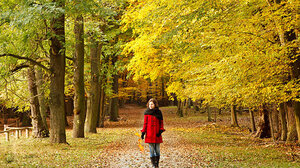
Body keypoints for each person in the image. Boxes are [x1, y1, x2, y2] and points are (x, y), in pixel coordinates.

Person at [141, 98, 165, 168]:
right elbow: (145, 123)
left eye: (152, 104)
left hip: (157, 133)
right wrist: (143, 132)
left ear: (155, 104)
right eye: (149, 104)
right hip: (149, 133)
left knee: (157, 150)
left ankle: (157, 164)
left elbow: (161, 122)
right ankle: (153, 165)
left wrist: (160, 130)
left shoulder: (159, 112)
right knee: (151, 149)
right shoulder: (146, 112)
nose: (150, 105)